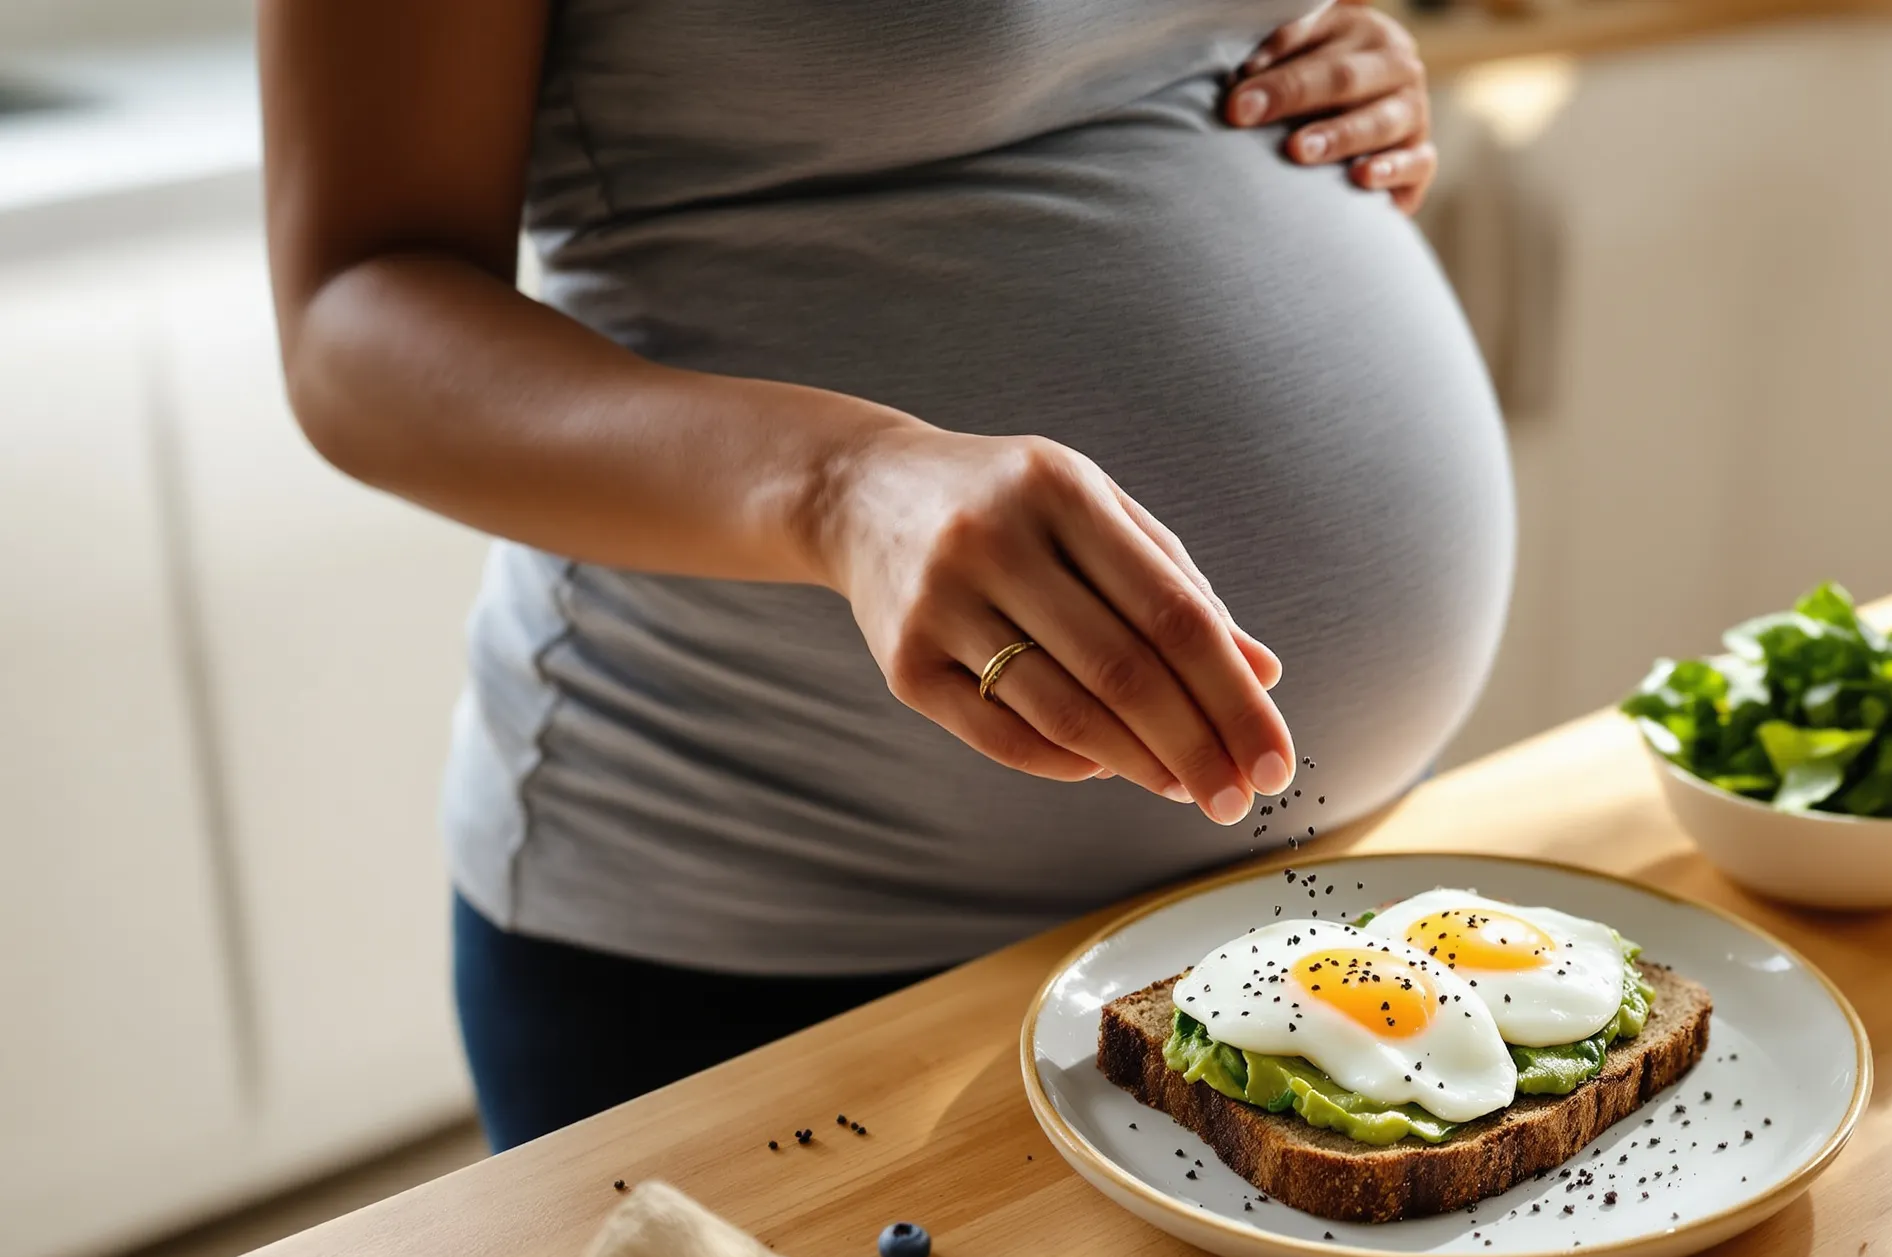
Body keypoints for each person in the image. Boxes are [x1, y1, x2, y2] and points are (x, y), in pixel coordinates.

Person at [260, 0, 1512, 1149]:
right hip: (788, 952)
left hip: (1312, 893)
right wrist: (840, 485)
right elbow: (353, 320)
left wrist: (1333, 63)